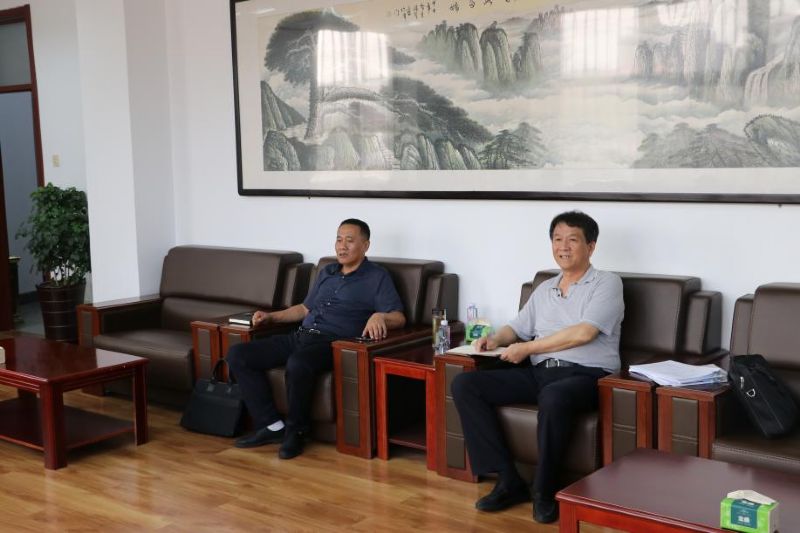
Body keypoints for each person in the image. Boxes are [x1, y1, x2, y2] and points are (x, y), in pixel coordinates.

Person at [451, 211, 624, 524]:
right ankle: (508, 480)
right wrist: (494, 339)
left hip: (586, 374)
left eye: (573, 240)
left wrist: (527, 348)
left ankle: (545, 490)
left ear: (591, 246)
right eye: (557, 239)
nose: (563, 247)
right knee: (466, 385)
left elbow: (584, 333)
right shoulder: (545, 288)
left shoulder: (607, 283)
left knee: (555, 396)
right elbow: (517, 328)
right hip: (540, 372)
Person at [227, 218, 406, 459]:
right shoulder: (327, 272)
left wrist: (380, 316)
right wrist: (271, 317)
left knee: (298, 363)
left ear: (365, 245)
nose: (342, 246)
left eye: (349, 240)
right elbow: (304, 309)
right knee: (239, 355)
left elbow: (399, 317)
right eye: (339, 239)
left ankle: (297, 431)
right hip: (300, 336)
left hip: (332, 343)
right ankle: (271, 426)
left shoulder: (377, 277)